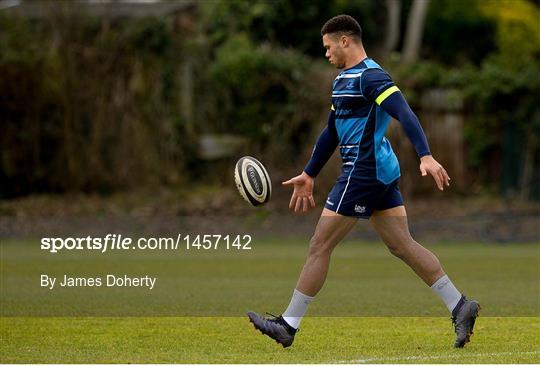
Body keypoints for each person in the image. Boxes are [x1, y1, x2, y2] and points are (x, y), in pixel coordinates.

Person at [247, 14, 480, 349]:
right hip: (379, 172)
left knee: (319, 244)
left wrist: (425, 154)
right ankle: (461, 305)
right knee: (402, 244)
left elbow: (404, 112)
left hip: (363, 171)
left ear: (345, 41)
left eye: (328, 46)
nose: (326, 53)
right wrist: (309, 173)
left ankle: (288, 325)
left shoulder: (371, 76)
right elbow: (332, 131)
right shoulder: (343, 80)